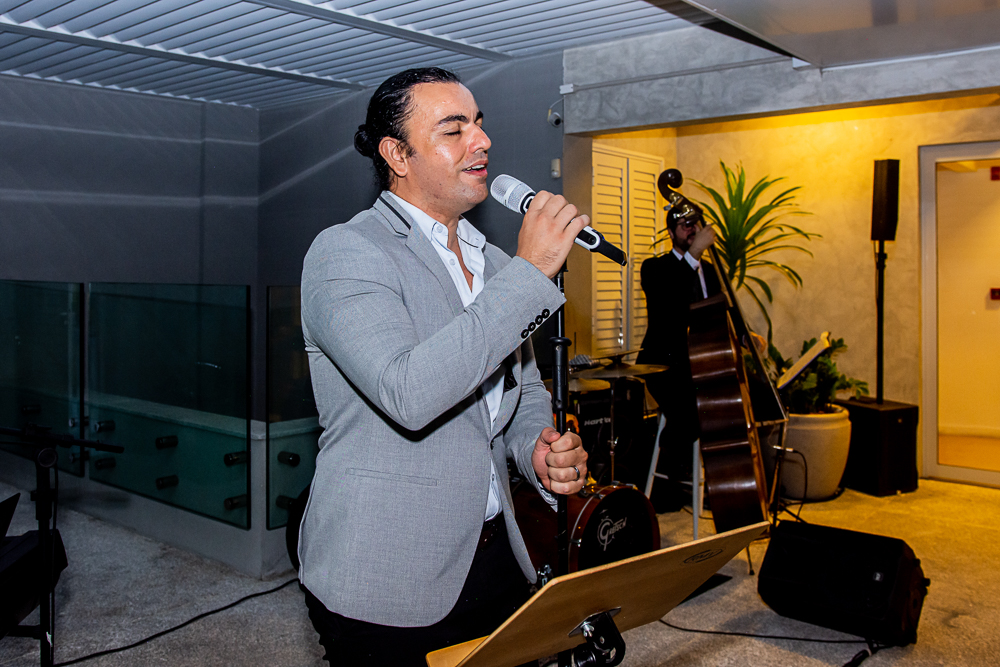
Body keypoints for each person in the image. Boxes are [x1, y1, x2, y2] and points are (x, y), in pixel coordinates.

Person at [297, 67, 589, 666]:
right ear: (396, 155)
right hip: (385, 566)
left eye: (479, 124)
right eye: (454, 130)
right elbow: (409, 392)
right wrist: (532, 275)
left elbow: (521, 389)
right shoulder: (346, 252)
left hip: (495, 551)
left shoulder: (497, 263)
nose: (481, 141)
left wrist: (535, 449)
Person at [636, 204, 720, 511]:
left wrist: (745, 336)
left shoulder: (709, 271)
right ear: (671, 233)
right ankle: (669, 475)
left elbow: (719, 312)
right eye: (684, 225)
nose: (692, 228)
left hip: (702, 364)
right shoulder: (655, 268)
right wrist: (694, 254)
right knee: (691, 412)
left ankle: (721, 484)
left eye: (694, 223)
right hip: (664, 365)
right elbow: (670, 306)